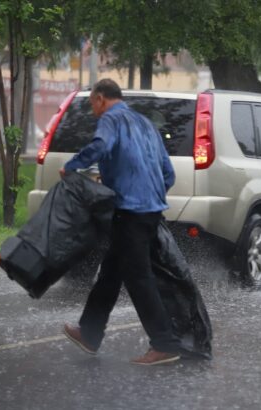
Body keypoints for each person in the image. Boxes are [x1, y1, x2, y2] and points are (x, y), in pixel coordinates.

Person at [60, 78, 182, 365]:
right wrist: (151, 196)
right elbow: (169, 173)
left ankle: (165, 343)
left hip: (130, 212)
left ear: (101, 98)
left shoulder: (111, 119)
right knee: (111, 274)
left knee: (139, 278)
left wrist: (72, 166)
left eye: (93, 104)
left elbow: (100, 146)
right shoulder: (145, 123)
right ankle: (89, 334)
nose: (93, 112)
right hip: (149, 212)